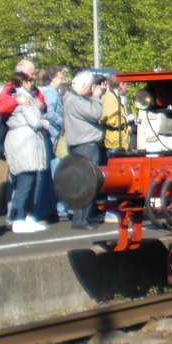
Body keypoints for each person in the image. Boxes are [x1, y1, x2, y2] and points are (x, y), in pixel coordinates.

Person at [3, 71, 50, 233]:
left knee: (29, 181)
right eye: (31, 80)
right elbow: (35, 121)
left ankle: (25, 217)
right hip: (25, 141)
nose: (33, 83)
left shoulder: (19, 97)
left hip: (23, 140)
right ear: (24, 82)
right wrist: (47, 123)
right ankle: (18, 219)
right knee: (26, 182)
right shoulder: (23, 98)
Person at [63, 71, 105, 230]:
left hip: (83, 145)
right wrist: (96, 97)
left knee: (85, 182)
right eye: (90, 86)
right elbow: (96, 113)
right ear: (83, 85)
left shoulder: (72, 98)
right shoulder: (74, 100)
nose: (91, 89)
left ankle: (85, 216)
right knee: (87, 182)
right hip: (85, 146)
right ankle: (81, 219)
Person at [38, 67, 67, 220]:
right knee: (56, 172)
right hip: (53, 135)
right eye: (60, 77)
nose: (62, 80)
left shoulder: (49, 92)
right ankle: (60, 208)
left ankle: (55, 207)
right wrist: (62, 122)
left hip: (52, 134)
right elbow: (49, 113)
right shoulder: (50, 92)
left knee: (52, 172)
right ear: (52, 78)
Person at [100, 77, 132, 155]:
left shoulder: (114, 96)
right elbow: (111, 120)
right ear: (121, 84)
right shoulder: (110, 97)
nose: (128, 89)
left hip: (118, 142)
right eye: (127, 85)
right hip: (114, 144)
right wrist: (127, 119)